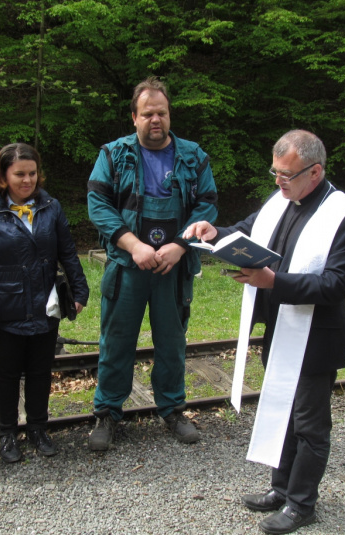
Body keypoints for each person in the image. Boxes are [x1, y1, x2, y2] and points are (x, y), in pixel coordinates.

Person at [184, 129, 345, 534]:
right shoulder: (283, 198)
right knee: (281, 412)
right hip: (280, 329)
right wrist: (216, 233)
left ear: (314, 172)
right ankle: (281, 490)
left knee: (308, 424)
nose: (278, 182)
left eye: (286, 174)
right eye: (275, 173)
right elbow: (249, 229)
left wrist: (273, 283)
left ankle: (303, 504)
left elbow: (336, 284)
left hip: (317, 337)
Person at [86, 77, 218, 450]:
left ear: (169, 114)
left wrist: (180, 244)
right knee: (116, 341)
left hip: (172, 268)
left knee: (172, 341)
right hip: (129, 267)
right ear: (134, 117)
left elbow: (207, 204)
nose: (155, 120)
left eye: (161, 112)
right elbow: (98, 205)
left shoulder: (194, 156)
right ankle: (108, 414)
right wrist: (133, 246)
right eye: (147, 114)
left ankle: (173, 409)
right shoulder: (113, 155)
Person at [0, 143, 89, 463]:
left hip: (45, 304)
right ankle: (7, 433)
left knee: (40, 371)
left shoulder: (51, 207)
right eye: (19, 174)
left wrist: (80, 291)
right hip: (6, 307)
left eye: (32, 173)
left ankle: (38, 427)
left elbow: (67, 250)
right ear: (4, 175)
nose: (27, 180)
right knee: (7, 373)